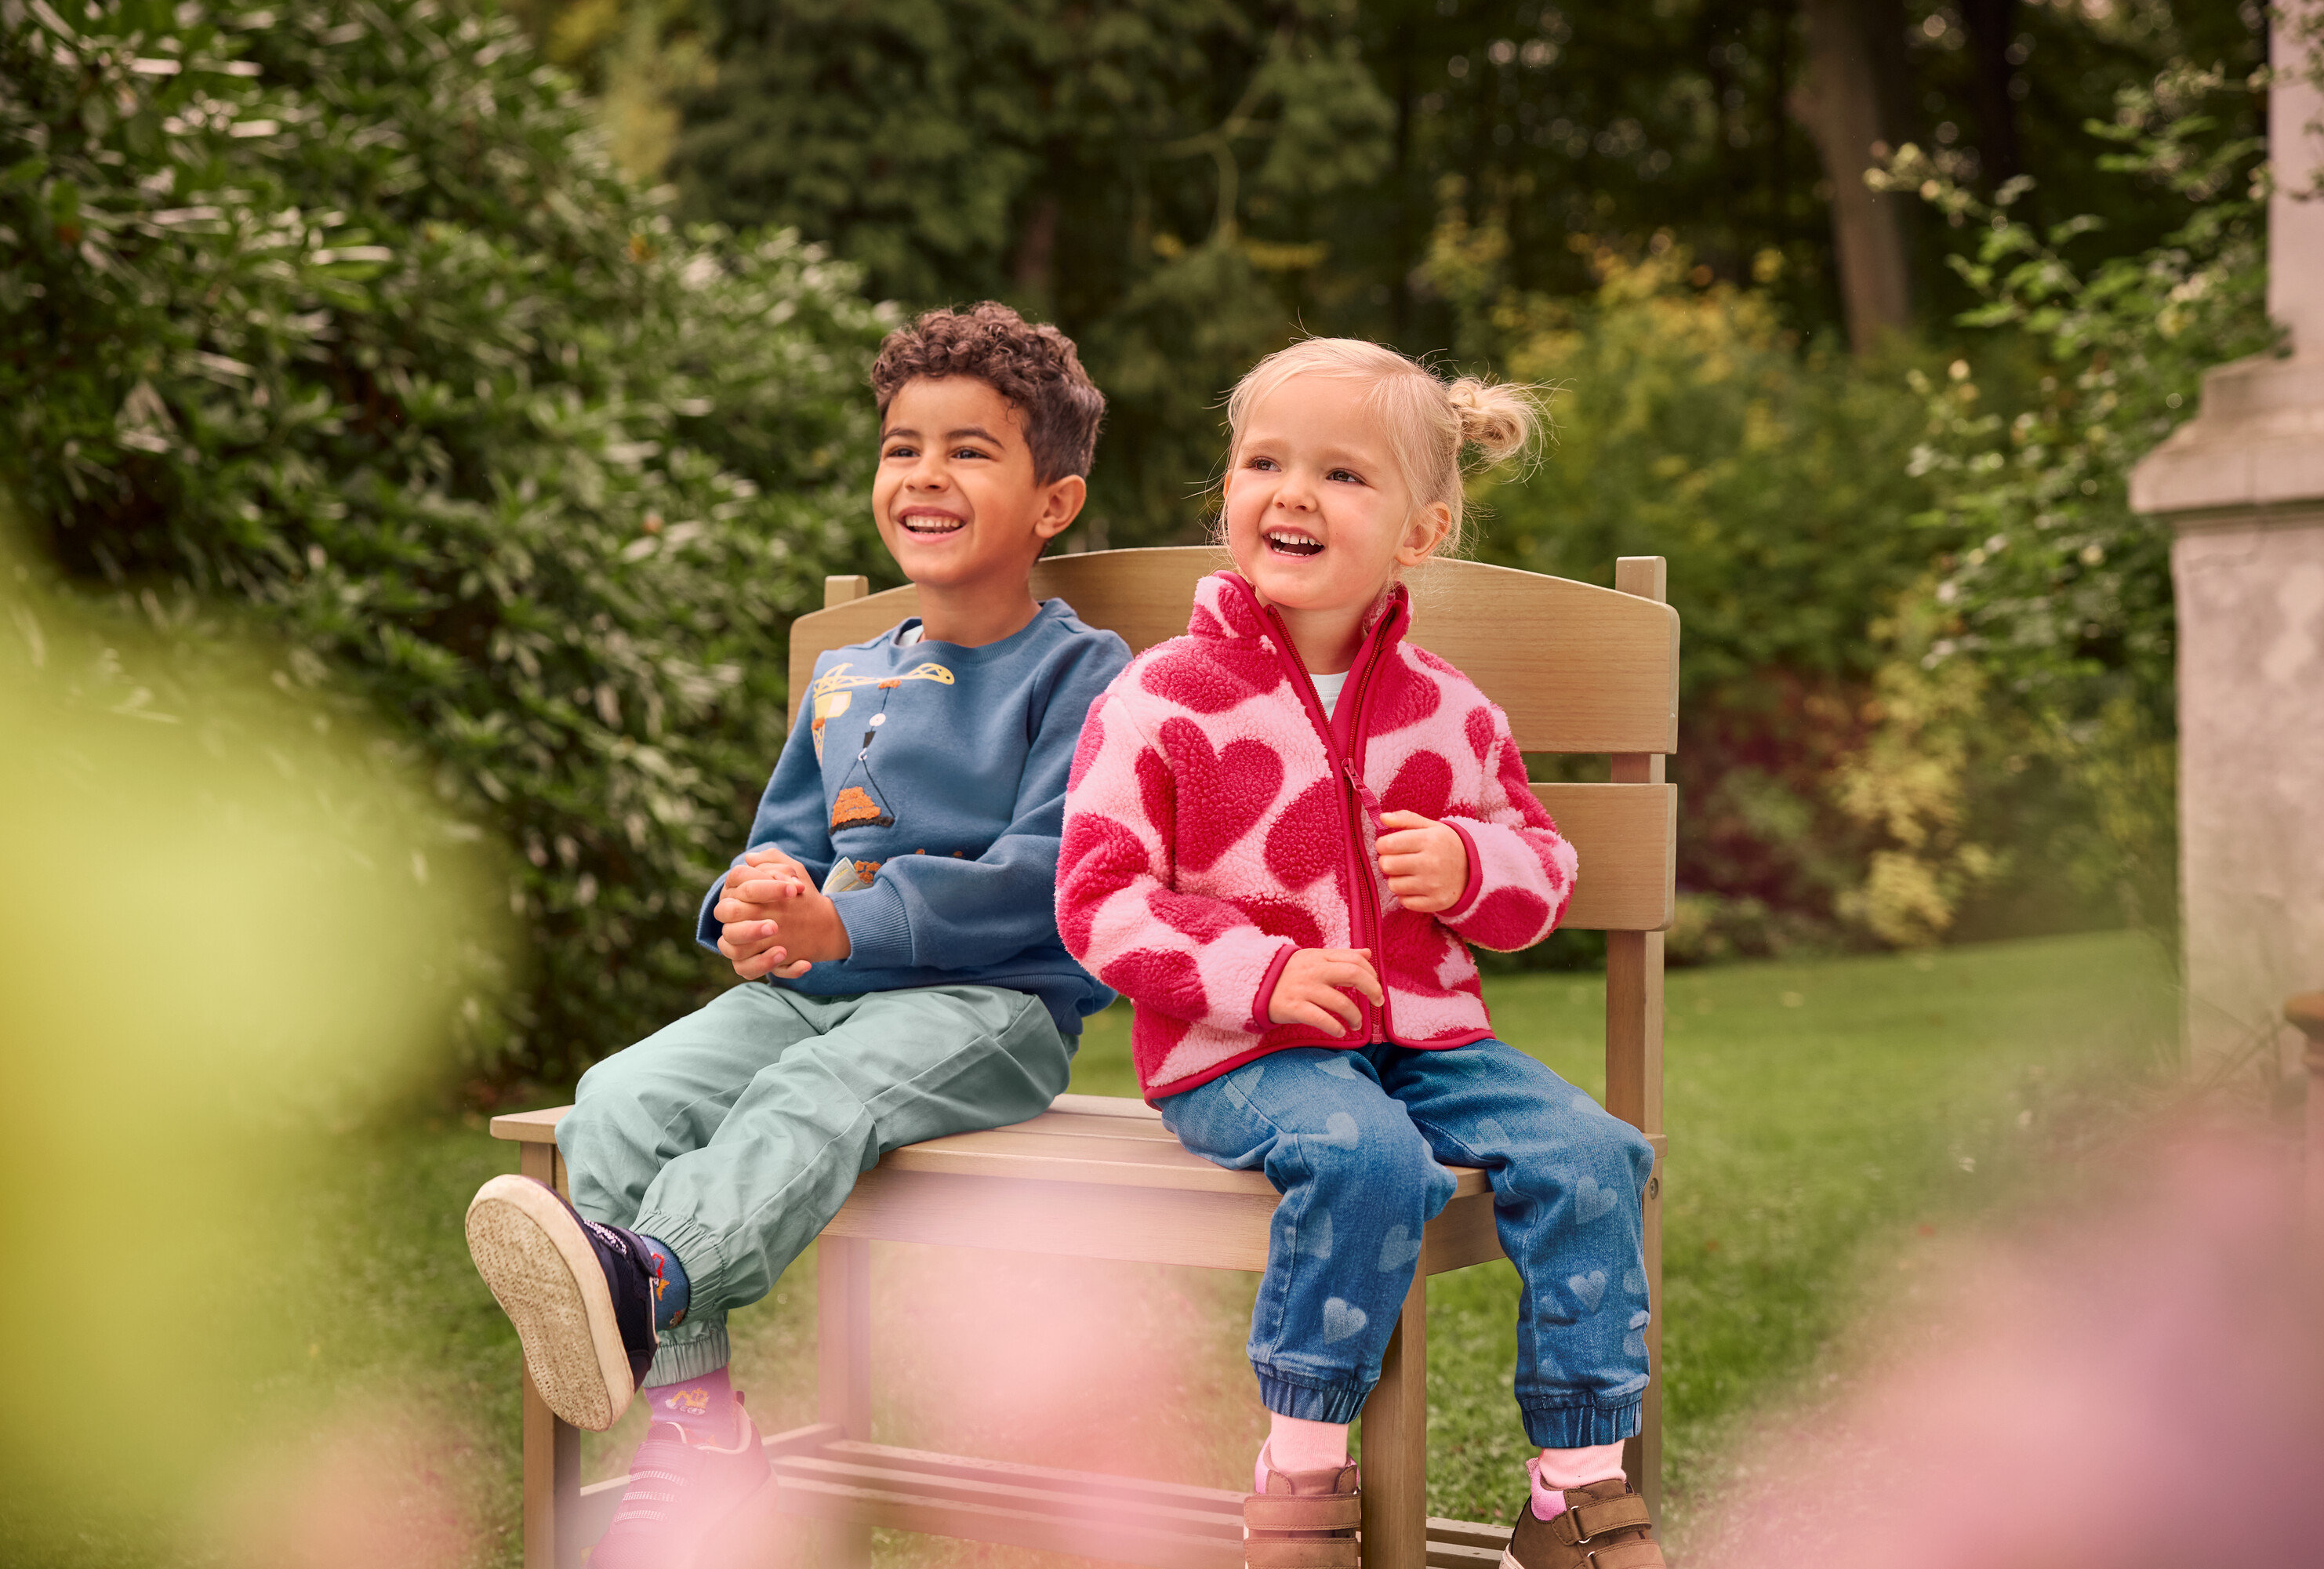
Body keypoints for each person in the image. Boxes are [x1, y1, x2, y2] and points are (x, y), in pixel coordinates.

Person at [465, 302, 1132, 1567]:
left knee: (816, 1090)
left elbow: (1050, 883)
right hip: (820, 981)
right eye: (900, 446)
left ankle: (649, 1278)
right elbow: (785, 843)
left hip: (990, 1009)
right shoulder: (849, 673)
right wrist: (750, 902)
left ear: (1054, 502)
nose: (924, 474)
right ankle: (701, 1428)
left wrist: (844, 921)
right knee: (616, 1100)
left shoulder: (1085, 672)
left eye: (969, 450)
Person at [1055, 338, 1661, 1569]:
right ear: (1225, 490)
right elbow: (1102, 902)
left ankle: (1575, 1493)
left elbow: (1540, 870)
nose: (1292, 493)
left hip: (1432, 1038)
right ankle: (1300, 1474)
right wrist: (1262, 974)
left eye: (1342, 473)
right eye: (1264, 461)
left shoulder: (1454, 710)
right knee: (1370, 1161)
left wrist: (1468, 865)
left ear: (1422, 530)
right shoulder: (1161, 697)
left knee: (1602, 1154)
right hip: (1244, 1052)